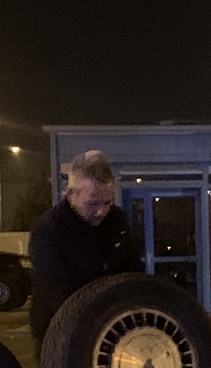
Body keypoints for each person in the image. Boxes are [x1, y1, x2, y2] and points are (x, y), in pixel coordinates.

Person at [28, 150, 143, 353]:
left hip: (111, 330)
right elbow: (54, 291)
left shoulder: (117, 221)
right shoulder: (49, 230)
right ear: (71, 194)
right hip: (60, 332)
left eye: (107, 202)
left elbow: (133, 273)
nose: (101, 212)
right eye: (93, 204)